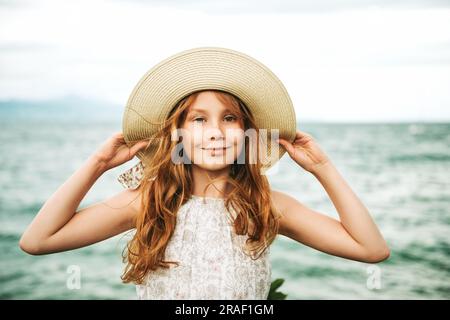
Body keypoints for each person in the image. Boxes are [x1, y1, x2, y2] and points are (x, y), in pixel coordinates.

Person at [19, 47, 390, 300]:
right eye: (199, 119)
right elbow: (38, 241)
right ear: (177, 134)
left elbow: (371, 249)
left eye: (229, 118)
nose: (215, 131)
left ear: (247, 134)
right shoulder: (148, 202)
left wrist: (323, 169)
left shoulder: (267, 205)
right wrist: (97, 164)